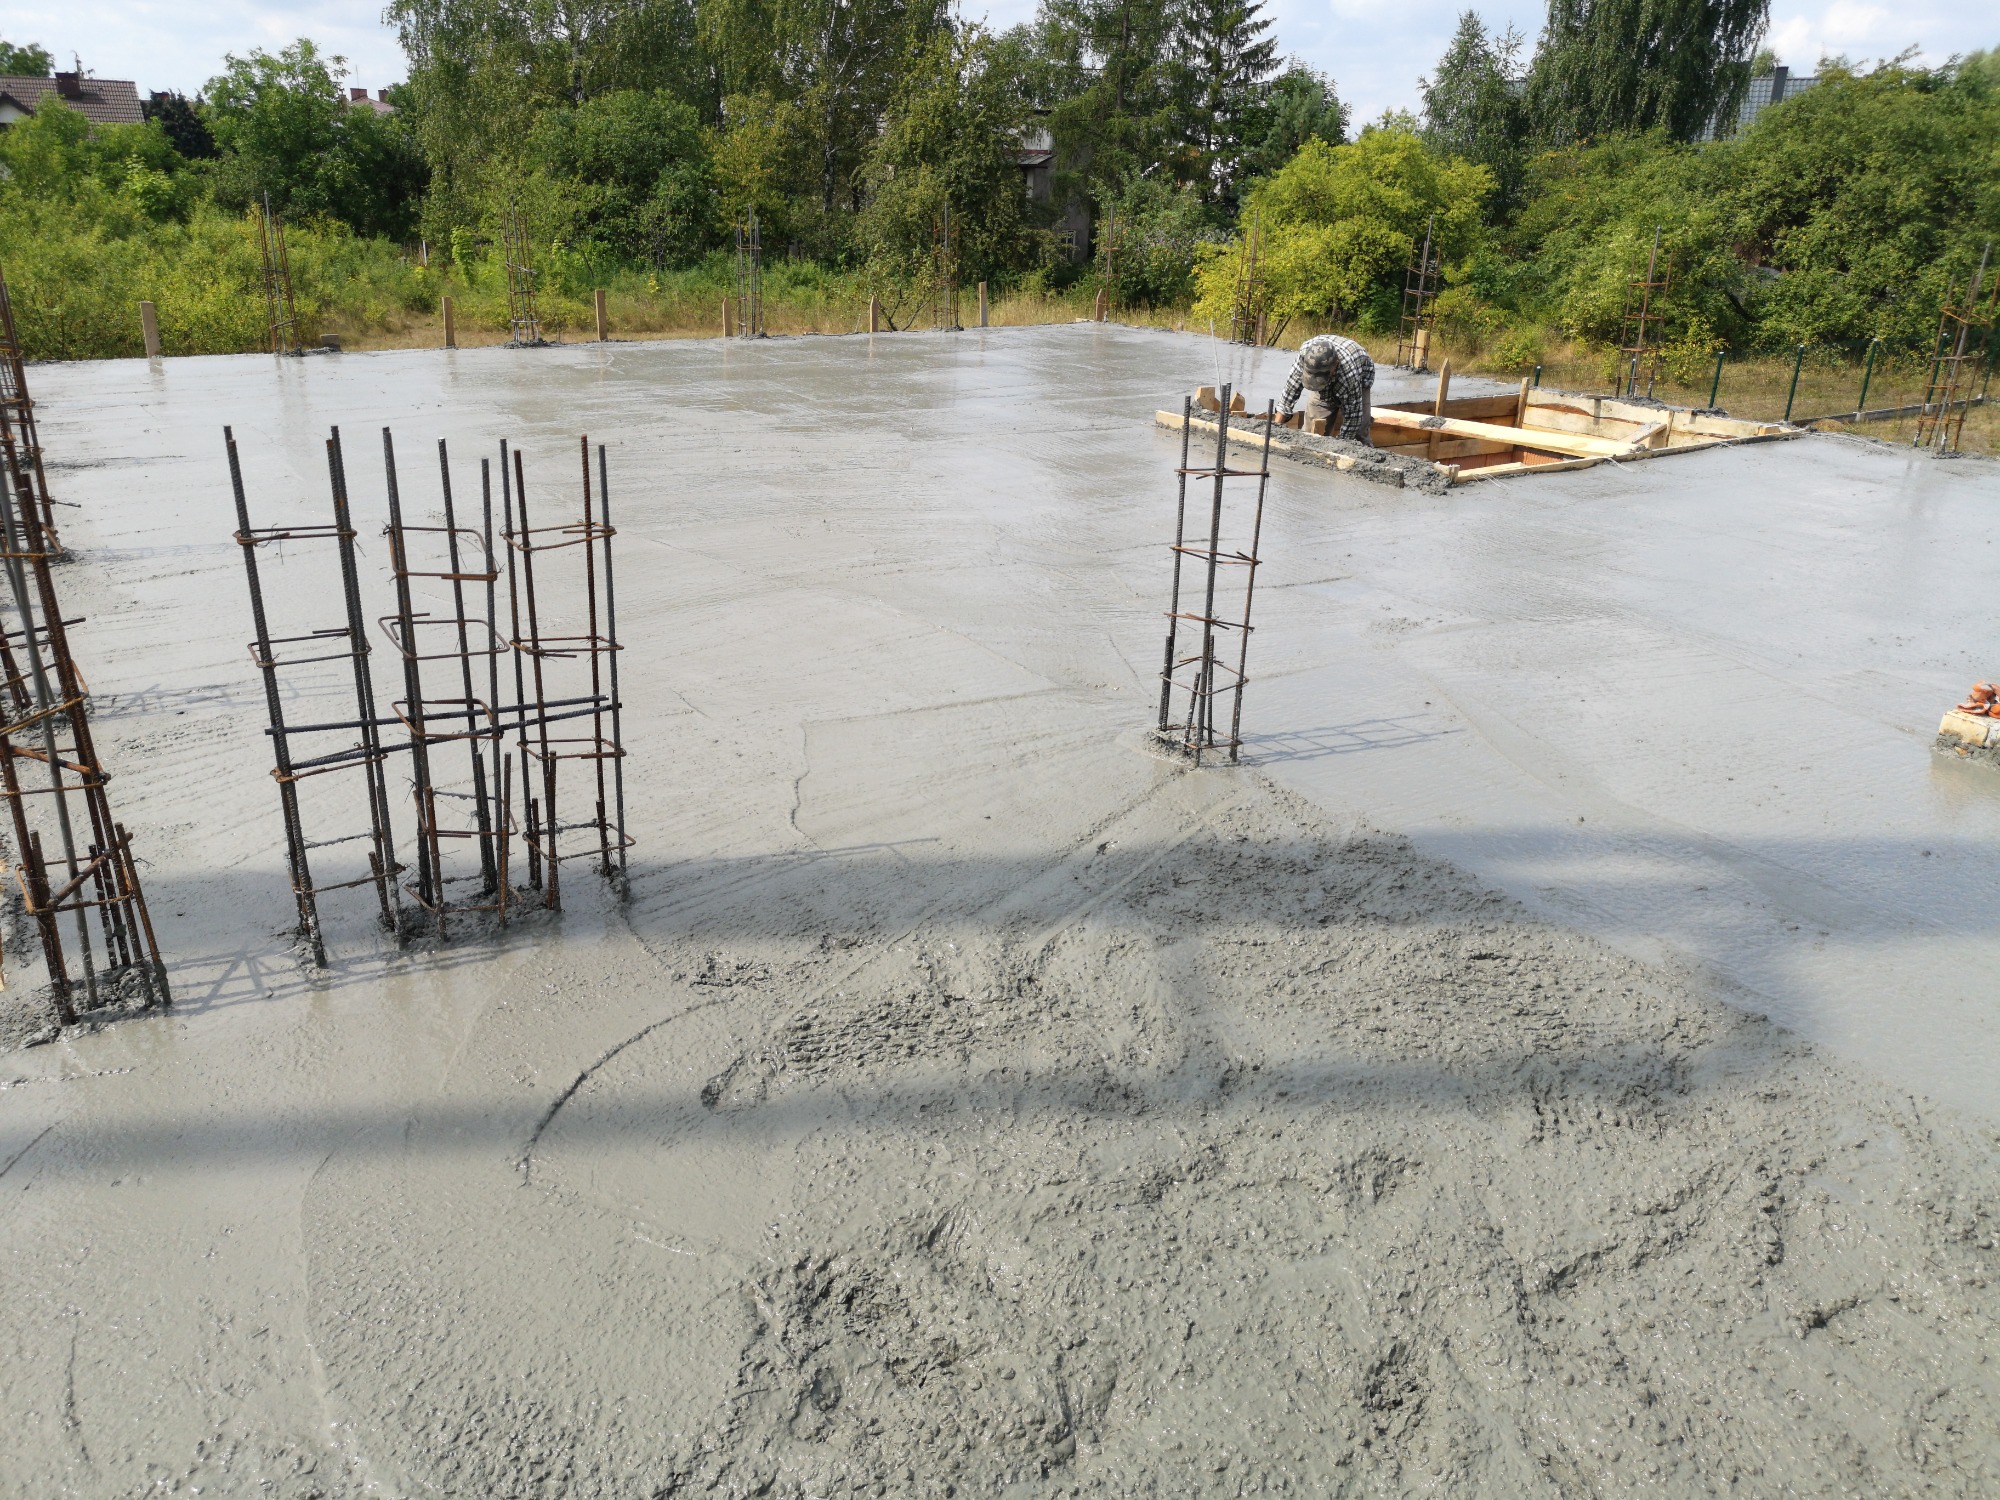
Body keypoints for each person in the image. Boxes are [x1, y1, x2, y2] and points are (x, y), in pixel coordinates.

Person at [1279, 334, 1374, 443]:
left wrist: (1341, 448)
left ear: (1335, 367)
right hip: (1331, 374)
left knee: (1359, 433)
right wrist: (1275, 427)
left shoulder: (1349, 375)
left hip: (1361, 376)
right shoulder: (1305, 355)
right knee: (1310, 433)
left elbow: (1353, 417)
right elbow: (1289, 391)